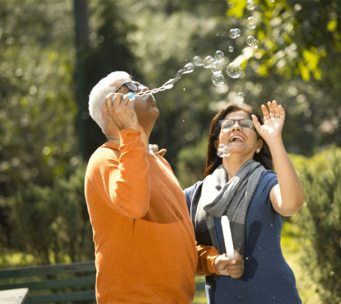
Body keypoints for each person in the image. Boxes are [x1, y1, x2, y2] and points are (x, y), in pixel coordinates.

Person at [84, 71, 243, 303]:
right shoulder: (105, 159)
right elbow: (135, 205)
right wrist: (130, 133)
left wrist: (212, 262)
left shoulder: (158, 161)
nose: (145, 89)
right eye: (130, 87)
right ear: (111, 111)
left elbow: (176, 242)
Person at [184, 101, 305, 303]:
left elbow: (291, 204)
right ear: (216, 144)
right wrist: (214, 262)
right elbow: (179, 251)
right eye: (228, 123)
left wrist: (274, 140)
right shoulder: (193, 195)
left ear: (258, 144)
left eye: (246, 124)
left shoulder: (266, 182)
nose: (237, 126)